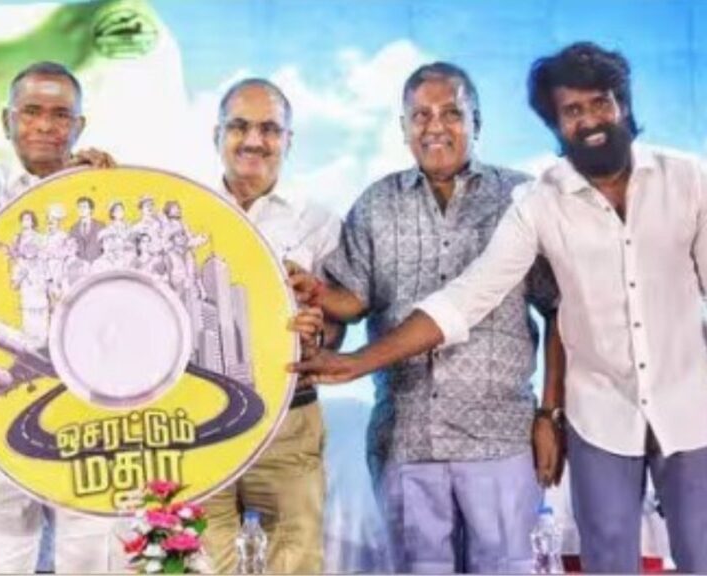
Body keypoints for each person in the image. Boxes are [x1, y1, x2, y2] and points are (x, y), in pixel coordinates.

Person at [293, 42, 707, 574]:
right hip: (496, 427)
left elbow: (554, 310)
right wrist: (340, 335)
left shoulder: (677, 181)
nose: (589, 120)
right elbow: (451, 298)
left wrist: (547, 413)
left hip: (629, 415)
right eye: (572, 110)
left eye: (600, 103)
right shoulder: (524, 202)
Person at [294, 62, 561, 573]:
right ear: (403, 127)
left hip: (499, 436)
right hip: (406, 437)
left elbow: (559, 311)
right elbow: (354, 297)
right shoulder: (376, 203)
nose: (435, 126)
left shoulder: (521, 199)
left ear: (477, 121)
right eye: (420, 115)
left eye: (451, 113)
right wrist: (317, 292)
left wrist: (549, 415)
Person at [0, 61, 120, 574]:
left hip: (88, 407)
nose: (46, 125)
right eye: (31, 112)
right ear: (7, 121)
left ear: (79, 126)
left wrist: (105, 192)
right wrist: (62, 189)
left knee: (93, 558)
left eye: (61, 115)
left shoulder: (106, 187)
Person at [199, 78, 341, 574]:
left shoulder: (319, 222)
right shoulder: (185, 211)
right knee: (202, 563)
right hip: (201, 422)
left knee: (294, 559)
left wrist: (316, 333)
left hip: (289, 421)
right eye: (239, 126)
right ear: (217, 135)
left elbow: (337, 327)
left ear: (288, 140)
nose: (254, 140)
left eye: (269, 129)